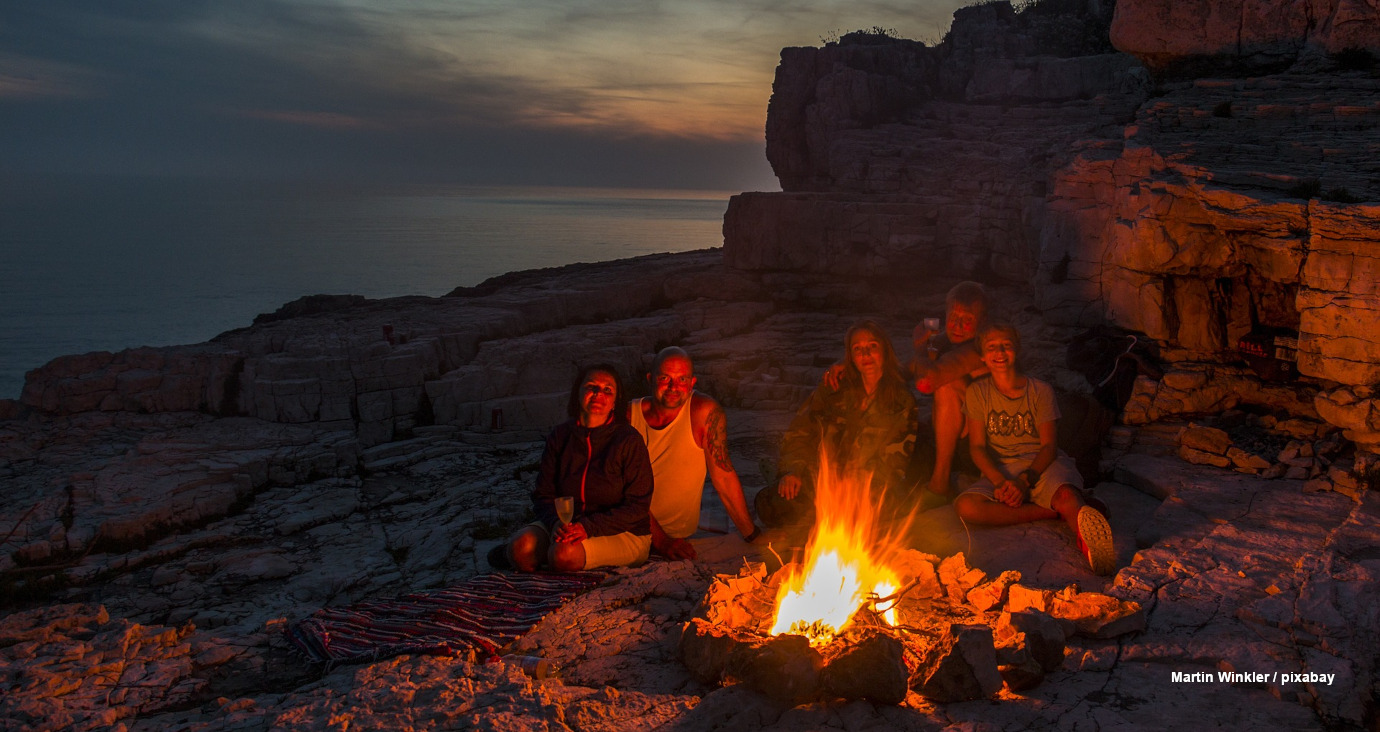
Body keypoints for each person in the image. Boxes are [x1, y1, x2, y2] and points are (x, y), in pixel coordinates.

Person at [954, 323, 1116, 575]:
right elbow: (976, 447)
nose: (1000, 351)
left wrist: (1024, 481)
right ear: (983, 357)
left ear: (1016, 349)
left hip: (1041, 464)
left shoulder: (1040, 390)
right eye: (992, 347)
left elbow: (1049, 447)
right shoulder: (977, 392)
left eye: (1006, 345)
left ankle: (1094, 551)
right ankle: (1050, 512)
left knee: (1067, 498)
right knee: (966, 507)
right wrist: (999, 482)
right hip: (1003, 468)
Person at [489, 364, 654, 572]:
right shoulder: (560, 437)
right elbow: (543, 495)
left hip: (623, 532)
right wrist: (555, 523)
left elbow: (638, 507)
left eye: (607, 390)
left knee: (563, 554)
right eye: (591, 387)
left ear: (615, 402)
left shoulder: (628, 441)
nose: (598, 394)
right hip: (568, 526)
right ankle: (518, 554)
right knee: (520, 548)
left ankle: (555, 558)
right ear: (578, 393)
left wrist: (588, 527)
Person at [757, 320, 918, 528]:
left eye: (872, 346)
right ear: (850, 357)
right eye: (857, 349)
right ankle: (782, 480)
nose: (865, 354)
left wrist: (854, 488)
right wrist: (792, 470)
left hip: (867, 486)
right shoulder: (833, 388)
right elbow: (801, 432)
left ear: (885, 350)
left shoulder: (901, 401)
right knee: (770, 505)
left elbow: (893, 464)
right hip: (822, 479)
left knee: (880, 509)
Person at [627, 347, 761, 559]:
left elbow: (723, 475)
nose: (673, 387)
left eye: (682, 379)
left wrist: (751, 534)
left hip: (681, 535)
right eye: (665, 378)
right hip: (630, 531)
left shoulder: (703, 413)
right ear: (650, 379)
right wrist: (661, 541)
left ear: (692, 383)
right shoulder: (628, 418)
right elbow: (621, 491)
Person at [912, 281, 989, 501]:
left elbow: (927, 381)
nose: (957, 326)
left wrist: (919, 350)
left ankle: (940, 484)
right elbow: (905, 371)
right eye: (953, 318)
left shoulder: (978, 348)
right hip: (965, 441)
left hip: (984, 448)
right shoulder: (946, 340)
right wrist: (849, 365)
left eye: (967, 320)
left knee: (946, 386)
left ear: (982, 322)